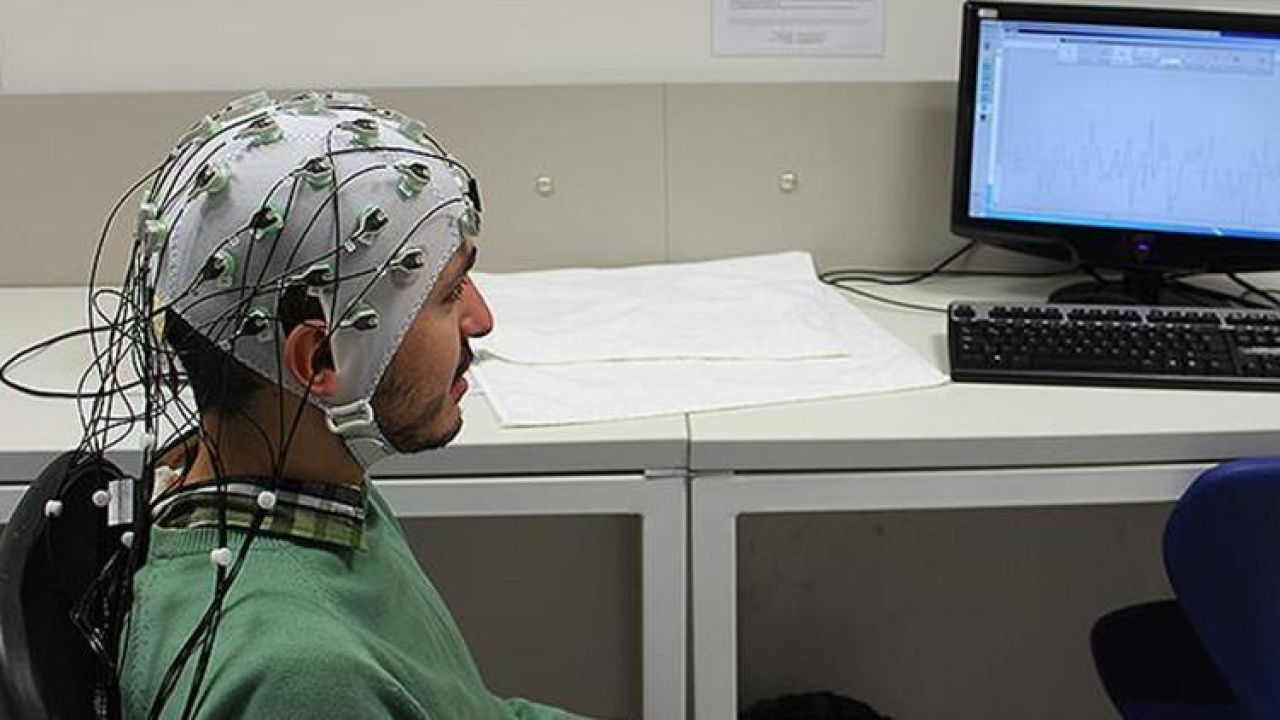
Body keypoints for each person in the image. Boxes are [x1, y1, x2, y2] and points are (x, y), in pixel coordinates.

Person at [113, 91, 586, 719]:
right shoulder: (303, 682)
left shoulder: (299, 482)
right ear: (321, 360)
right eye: (447, 294)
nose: (482, 318)